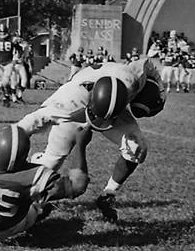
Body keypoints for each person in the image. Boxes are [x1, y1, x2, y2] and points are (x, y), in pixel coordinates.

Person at [12, 53, 165, 223]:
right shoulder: (65, 104)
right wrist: (6, 146)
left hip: (114, 105)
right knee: (50, 165)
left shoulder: (132, 80)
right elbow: (26, 126)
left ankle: (108, 195)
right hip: (78, 107)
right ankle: (39, 163)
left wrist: (159, 89)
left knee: (136, 147)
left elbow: (147, 64)